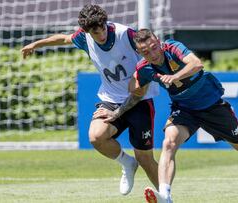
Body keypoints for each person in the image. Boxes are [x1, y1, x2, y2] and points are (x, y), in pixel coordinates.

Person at [129, 29, 238, 203]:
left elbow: (196, 64)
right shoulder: (144, 68)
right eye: (146, 52)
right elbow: (133, 87)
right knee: (169, 142)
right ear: (139, 53)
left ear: (158, 41)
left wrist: (174, 77)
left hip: (212, 106)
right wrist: (136, 85)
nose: (152, 54)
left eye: (154, 47)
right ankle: (165, 196)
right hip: (184, 109)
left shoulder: (173, 48)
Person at [20, 5, 159, 195]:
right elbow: (63, 38)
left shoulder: (125, 34)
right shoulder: (83, 38)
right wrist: (36, 44)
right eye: (95, 31)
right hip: (111, 98)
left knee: (145, 159)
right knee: (96, 136)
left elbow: (150, 51)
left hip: (139, 99)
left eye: (102, 27)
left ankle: (166, 197)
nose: (101, 33)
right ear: (87, 31)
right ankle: (127, 163)